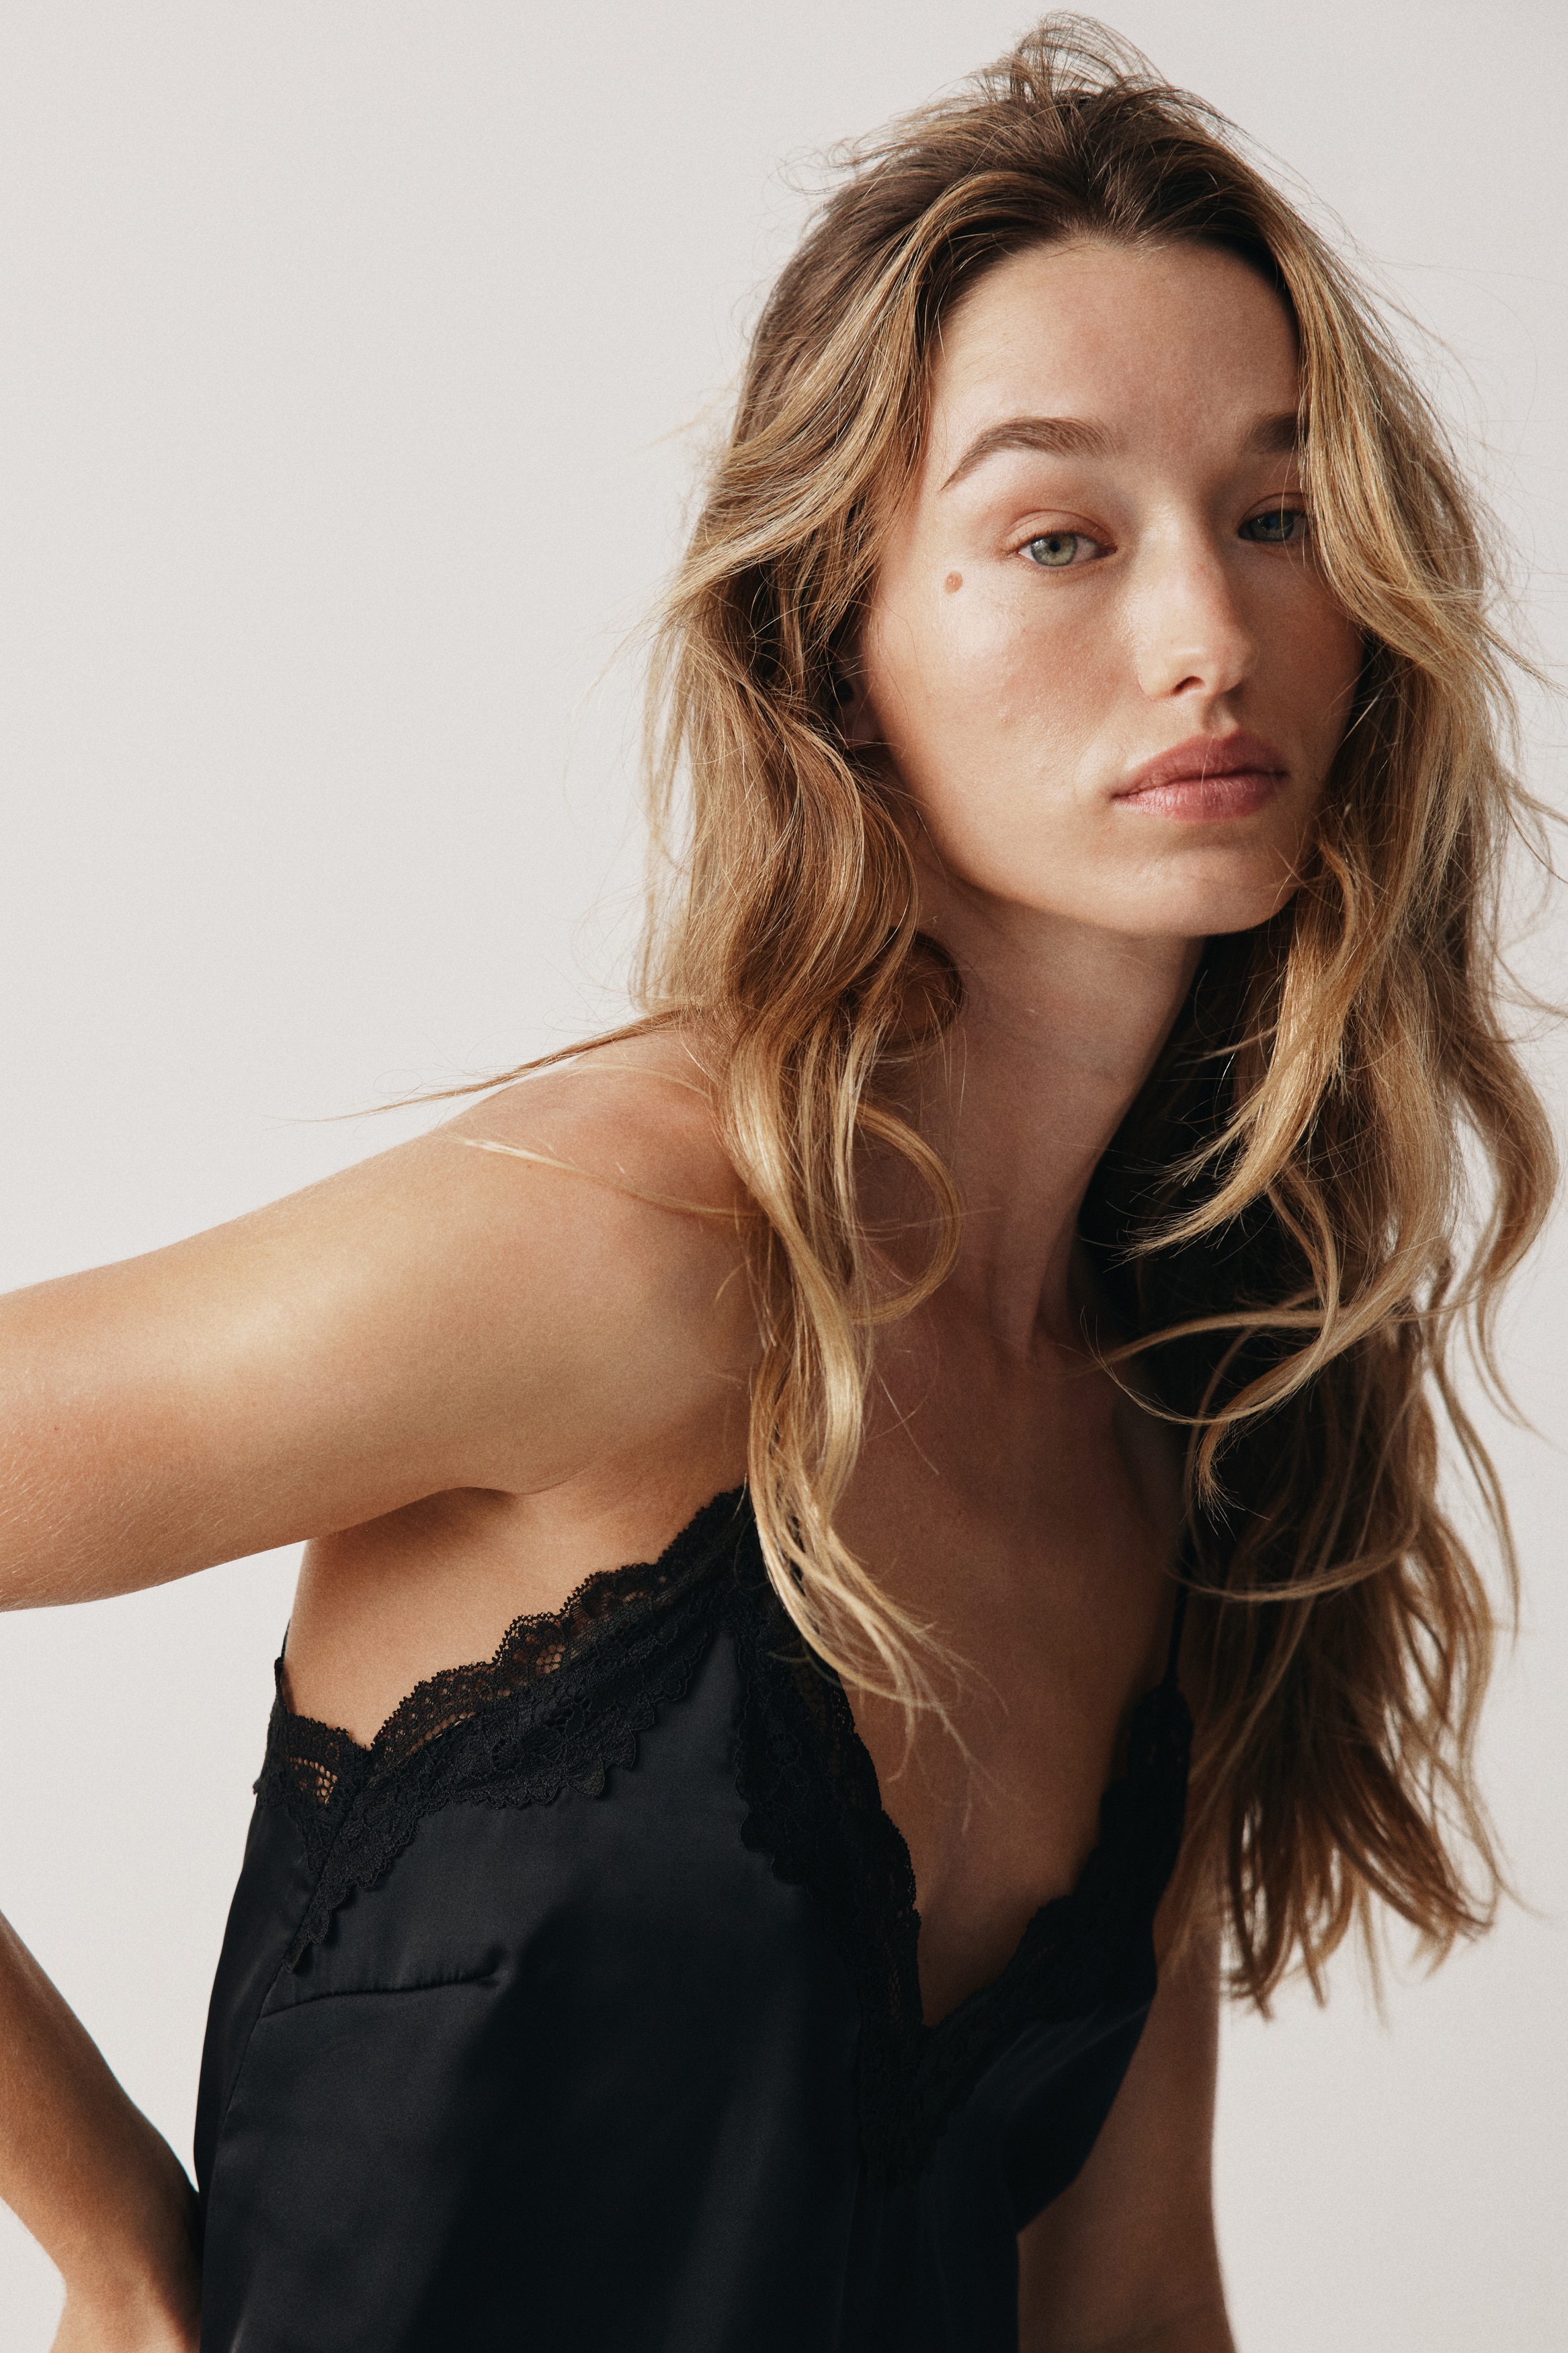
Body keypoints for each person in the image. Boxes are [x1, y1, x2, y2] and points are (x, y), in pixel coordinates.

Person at [0, 19, 1552, 2352]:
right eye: (1059, 535)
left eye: (1280, 512)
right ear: (837, 639)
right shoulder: (627, 1241)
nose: (1210, 637)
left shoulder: (1195, 1409)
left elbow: (1127, 2300)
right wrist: (114, 2237)